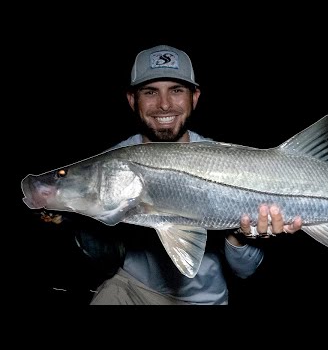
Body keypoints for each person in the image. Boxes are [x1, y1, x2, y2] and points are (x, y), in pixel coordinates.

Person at [78, 44, 303, 305]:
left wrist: (239, 233)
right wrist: (74, 219)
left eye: (176, 90)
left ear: (194, 97)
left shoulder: (226, 160)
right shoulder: (111, 163)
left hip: (204, 299)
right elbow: (100, 258)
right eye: (150, 91)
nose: (164, 104)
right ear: (132, 100)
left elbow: (245, 271)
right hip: (130, 288)